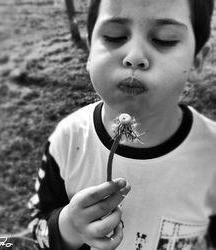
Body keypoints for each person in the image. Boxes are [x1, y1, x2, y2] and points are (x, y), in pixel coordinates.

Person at [28, 0, 216, 249]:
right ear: (89, 52)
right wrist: (69, 227)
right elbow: (36, 228)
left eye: (164, 39)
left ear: (197, 61)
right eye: (114, 36)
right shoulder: (68, 139)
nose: (135, 57)